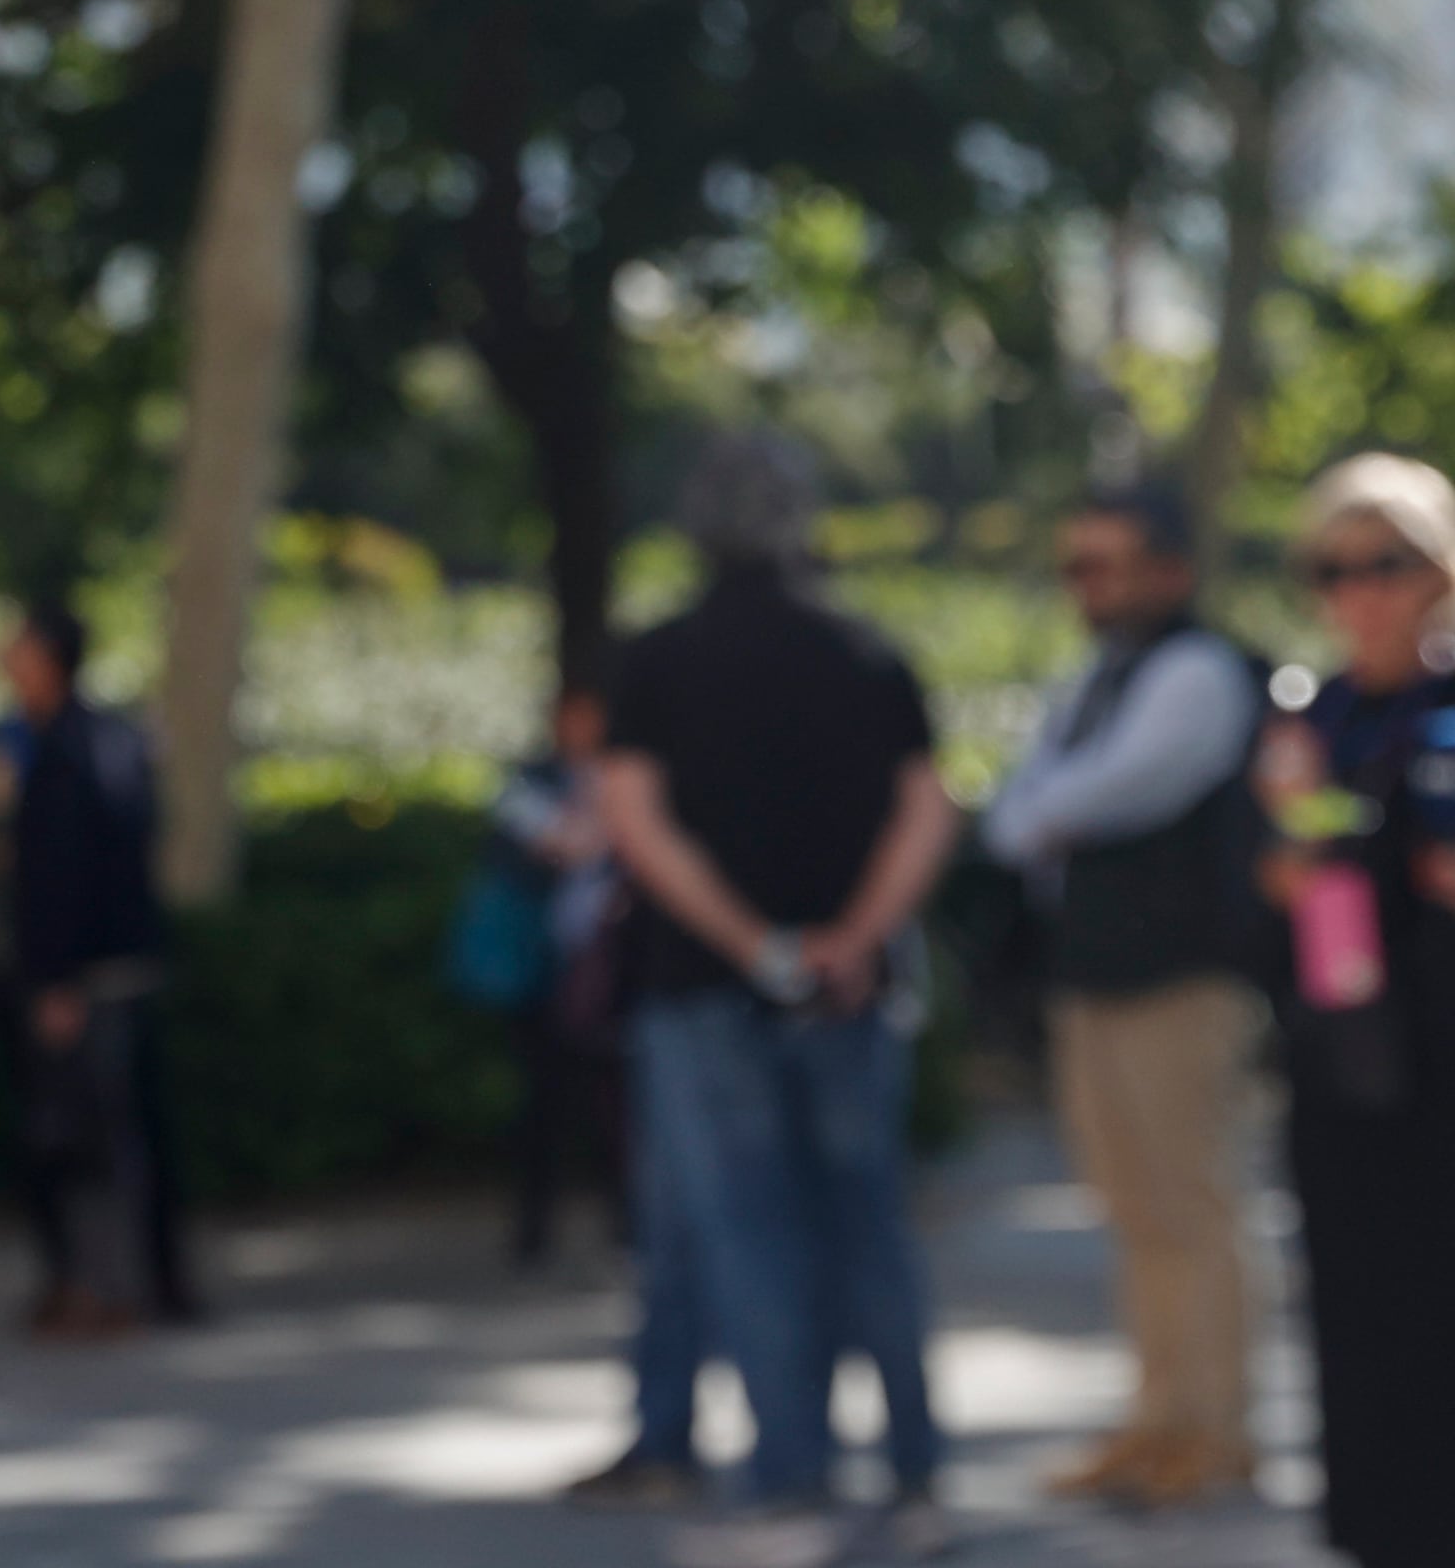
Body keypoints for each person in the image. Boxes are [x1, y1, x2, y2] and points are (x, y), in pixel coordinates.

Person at [602, 434, 956, 1568]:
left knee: (746, 1231)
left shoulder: (656, 658)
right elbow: (925, 810)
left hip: (707, 988)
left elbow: (634, 820)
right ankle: (914, 1469)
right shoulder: (864, 652)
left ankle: (790, 1472)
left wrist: (756, 944)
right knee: (867, 1225)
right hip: (848, 988)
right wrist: (851, 937)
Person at [978, 485, 1265, 1510]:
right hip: (1091, 972)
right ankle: (1154, 1418)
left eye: (1102, 564)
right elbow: (1020, 803)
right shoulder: (1095, 676)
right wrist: (1035, 815)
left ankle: (1214, 1424)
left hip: (1176, 977)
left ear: (1168, 569)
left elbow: (1098, 792)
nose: (1085, 588)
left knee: (1189, 1204)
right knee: (1131, 1208)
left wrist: (1038, 815)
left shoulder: (1195, 669)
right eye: (1073, 566)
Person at [1252, 455, 1455, 1568]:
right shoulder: (1315, 714)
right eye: (1333, 567)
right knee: (1360, 1314)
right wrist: (1291, 836)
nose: (1360, 591)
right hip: (1351, 1057)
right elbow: (1303, 880)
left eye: (1387, 562)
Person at [0, 606, 170, 1339]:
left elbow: (70, 874)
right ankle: (93, 1281)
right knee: (84, 1132)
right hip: (94, 968)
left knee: (87, 1135)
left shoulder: (68, 748)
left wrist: (60, 979)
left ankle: (105, 1286)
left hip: (79, 977)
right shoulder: (95, 738)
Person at [493, 678, 627, 1272]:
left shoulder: (625, 776)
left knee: (619, 1105)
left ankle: (630, 1223)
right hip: (547, 970)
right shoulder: (532, 782)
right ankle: (534, 1230)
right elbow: (562, 844)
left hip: (613, 972)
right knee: (544, 1103)